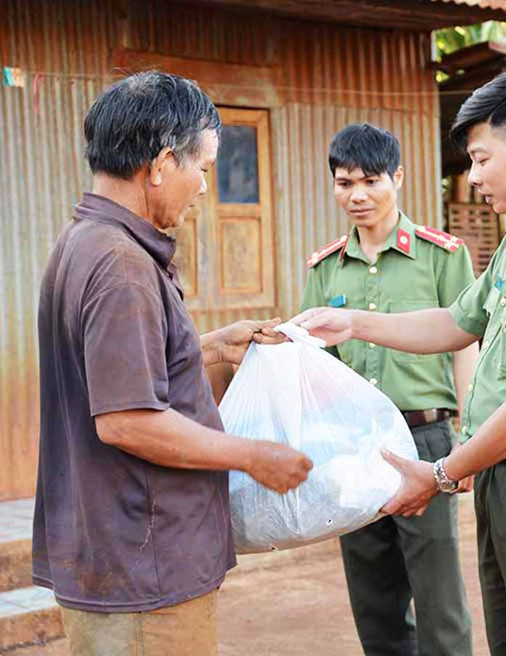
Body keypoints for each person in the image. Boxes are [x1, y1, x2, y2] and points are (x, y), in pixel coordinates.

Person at [294, 71, 506, 655]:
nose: (472, 177)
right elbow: (457, 322)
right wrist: (352, 323)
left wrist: (441, 472)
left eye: (481, 160)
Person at [34, 71, 312, 656]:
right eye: (203, 168)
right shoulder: (121, 265)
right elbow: (127, 420)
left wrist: (209, 347)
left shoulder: (85, 241)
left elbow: (113, 372)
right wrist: (255, 456)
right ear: (161, 164)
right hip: (144, 569)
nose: (205, 187)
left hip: (115, 556)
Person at [300, 123, 475, 656]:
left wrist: (470, 433)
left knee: (438, 593)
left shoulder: (442, 255)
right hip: (353, 445)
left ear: (397, 177)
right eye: (344, 183)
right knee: (373, 596)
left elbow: (466, 342)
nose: (357, 195)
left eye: (370, 181)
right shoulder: (325, 267)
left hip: (425, 440)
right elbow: (316, 361)